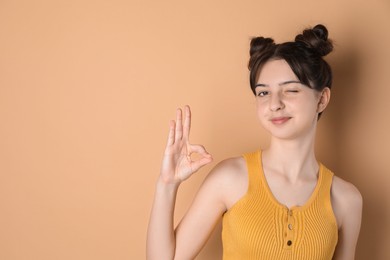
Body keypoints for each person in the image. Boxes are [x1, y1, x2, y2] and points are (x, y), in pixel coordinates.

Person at [146, 24, 362, 260]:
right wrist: (167, 184)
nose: (274, 104)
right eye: (263, 92)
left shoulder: (346, 199)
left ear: (322, 99)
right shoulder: (230, 177)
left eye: (290, 90)